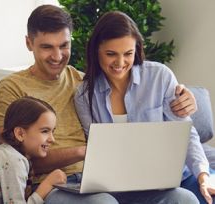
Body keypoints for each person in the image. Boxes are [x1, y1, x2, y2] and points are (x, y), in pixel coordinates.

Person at [0, 4, 199, 204]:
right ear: (29, 43)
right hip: (52, 185)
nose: (57, 56)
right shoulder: (12, 87)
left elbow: (124, 85)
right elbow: (12, 158)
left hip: (102, 182)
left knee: (183, 198)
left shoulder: (82, 83)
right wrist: (83, 151)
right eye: (47, 47)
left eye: (64, 46)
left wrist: (183, 96)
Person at [74, 11, 215, 204]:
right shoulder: (84, 94)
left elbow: (186, 132)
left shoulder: (160, 76)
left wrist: (203, 175)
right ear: (96, 50)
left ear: (137, 49)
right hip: (119, 187)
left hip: (176, 178)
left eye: (128, 54)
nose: (120, 63)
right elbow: (97, 153)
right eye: (110, 54)